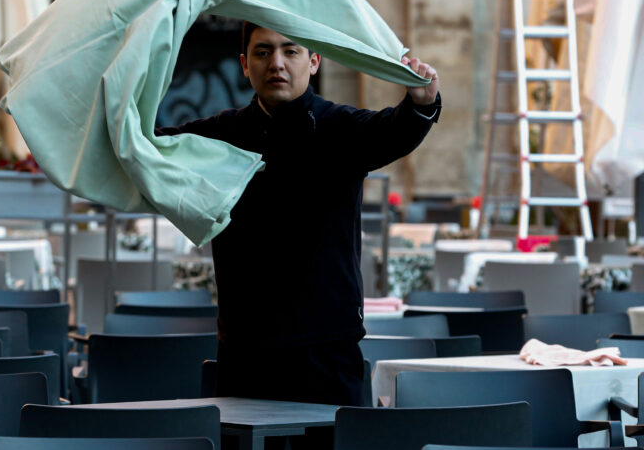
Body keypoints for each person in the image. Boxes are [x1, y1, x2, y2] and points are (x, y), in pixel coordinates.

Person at [157, 21, 440, 424]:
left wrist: (422, 103)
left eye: (291, 51)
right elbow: (152, 151)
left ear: (314, 61)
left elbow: (395, 129)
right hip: (245, 350)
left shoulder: (340, 127)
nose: (277, 63)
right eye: (263, 52)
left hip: (328, 350)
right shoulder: (220, 133)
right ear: (245, 64)